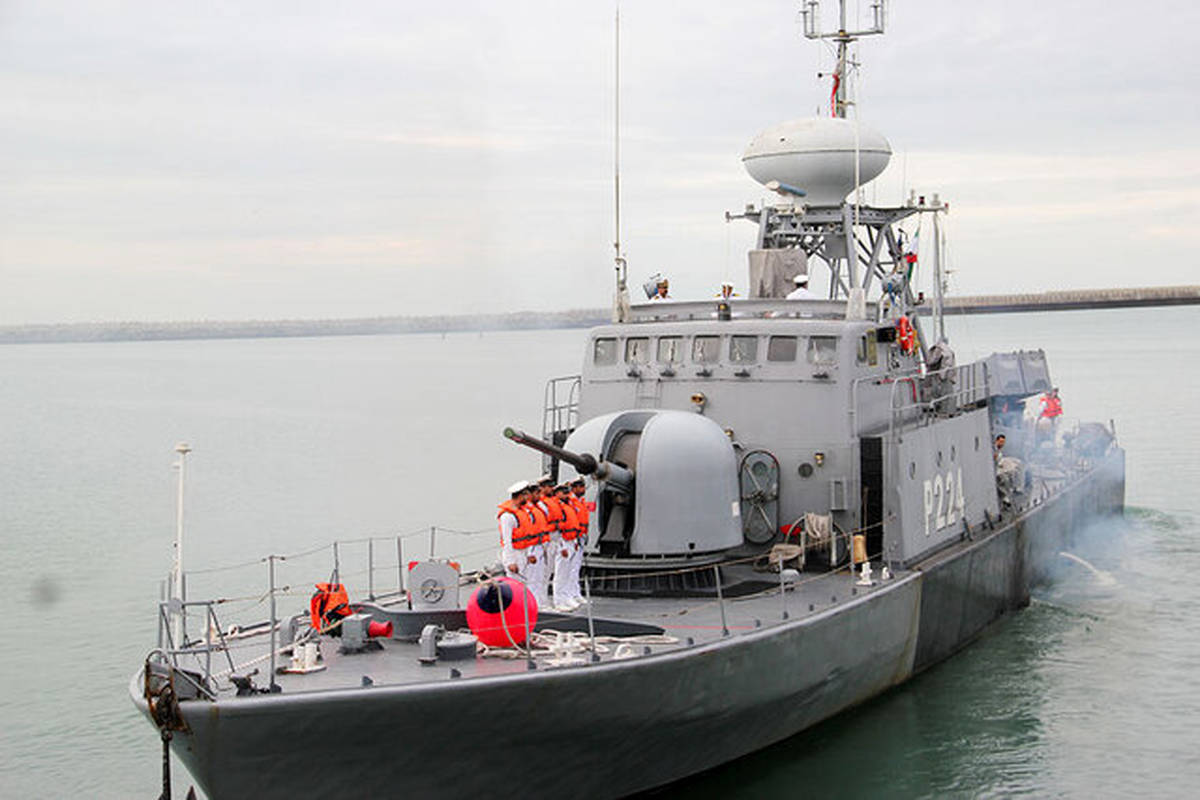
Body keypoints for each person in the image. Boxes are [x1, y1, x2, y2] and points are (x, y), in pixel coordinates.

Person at [497, 481, 539, 592]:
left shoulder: (523, 512)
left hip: (523, 552)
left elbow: (527, 536)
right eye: (525, 495)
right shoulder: (507, 516)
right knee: (515, 586)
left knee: (525, 584)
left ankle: (525, 603)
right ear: (520, 496)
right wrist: (511, 562)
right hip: (514, 553)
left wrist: (529, 554)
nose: (527, 498)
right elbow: (507, 541)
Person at [551, 484, 582, 610]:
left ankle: (566, 597)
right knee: (561, 573)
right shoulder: (557, 508)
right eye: (563, 493)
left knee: (568, 572)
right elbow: (556, 531)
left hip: (571, 541)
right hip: (563, 542)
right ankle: (558, 600)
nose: (566, 495)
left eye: (566, 493)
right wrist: (562, 547)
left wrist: (575, 542)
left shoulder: (568, 506)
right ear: (557, 493)